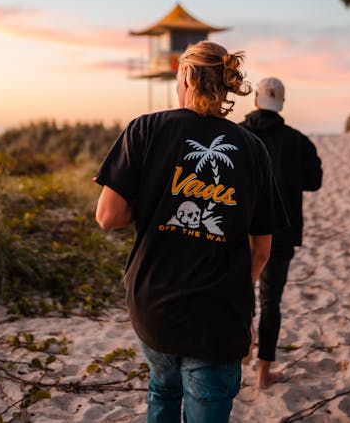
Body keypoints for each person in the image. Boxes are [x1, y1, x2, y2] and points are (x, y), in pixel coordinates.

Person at [94, 41, 287, 423]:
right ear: (225, 84)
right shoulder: (252, 149)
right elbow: (262, 250)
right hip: (217, 315)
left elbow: (107, 216)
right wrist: (241, 289)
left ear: (185, 75)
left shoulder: (145, 129)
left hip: (154, 306)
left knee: (162, 390)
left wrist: (153, 203)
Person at [240, 77, 323, 390]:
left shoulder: (237, 133)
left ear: (256, 101)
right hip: (280, 232)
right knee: (271, 300)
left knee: (241, 292)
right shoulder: (297, 141)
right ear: (282, 103)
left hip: (239, 231)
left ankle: (241, 344)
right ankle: (263, 374)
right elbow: (314, 181)